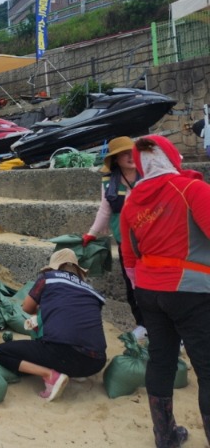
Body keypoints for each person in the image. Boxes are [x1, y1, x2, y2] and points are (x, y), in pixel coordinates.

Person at [120, 135, 210, 447]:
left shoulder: (132, 201)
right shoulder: (192, 189)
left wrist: (145, 288)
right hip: (193, 290)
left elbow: (129, 257)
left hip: (149, 290)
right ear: (172, 157)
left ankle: (165, 435)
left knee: (161, 360)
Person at [0, 249, 107, 402]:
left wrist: (41, 310)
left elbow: (27, 308)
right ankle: (73, 373)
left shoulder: (48, 278)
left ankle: (50, 376)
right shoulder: (92, 292)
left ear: (54, 267)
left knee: (0, 352)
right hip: (96, 362)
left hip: (64, 353)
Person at [83, 136, 146, 341]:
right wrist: (92, 233)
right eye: (124, 153)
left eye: (133, 152)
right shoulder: (109, 180)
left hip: (151, 240)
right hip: (124, 240)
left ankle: (170, 330)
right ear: (116, 159)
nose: (130, 157)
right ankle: (143, 324)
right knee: (131, 284)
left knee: (157, 284)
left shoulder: (148, 175)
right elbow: (105, 209)